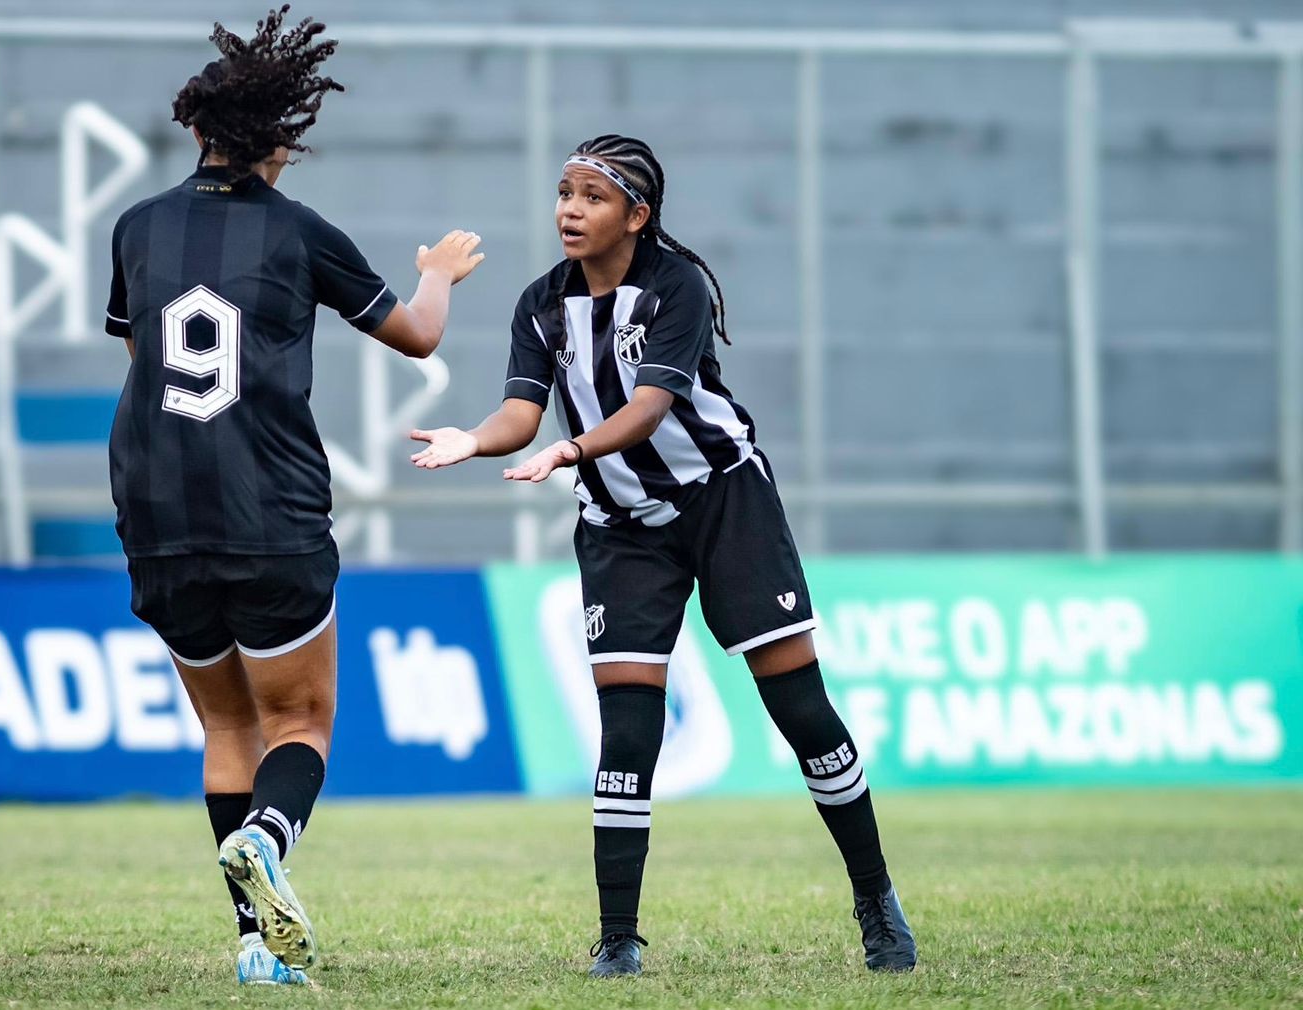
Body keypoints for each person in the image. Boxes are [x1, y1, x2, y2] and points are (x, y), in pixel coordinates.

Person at [409, 135, 915, 978]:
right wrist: (473, 437)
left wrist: (570, 453)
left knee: (801, 711)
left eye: (592, 198)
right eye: (563, 193)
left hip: (724, 501)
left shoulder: (673, 288)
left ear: (637, 217)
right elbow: (520, 415)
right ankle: (618, 940)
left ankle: (876, 901)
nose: (569, 210)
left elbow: (646, 411)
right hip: (620, 523)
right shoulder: (541, 304)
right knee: (629, 731)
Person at [104, 7, 483, 987]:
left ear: (196, 128)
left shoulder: (137, 227)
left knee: (226, 726)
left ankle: (251, 945)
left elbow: (144, 357)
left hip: (153, 515)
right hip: (267, 509)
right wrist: (436, 275)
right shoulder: (298, 231)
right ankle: (269, 834)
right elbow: (417, 336)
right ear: (286, 139)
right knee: (300, 723)